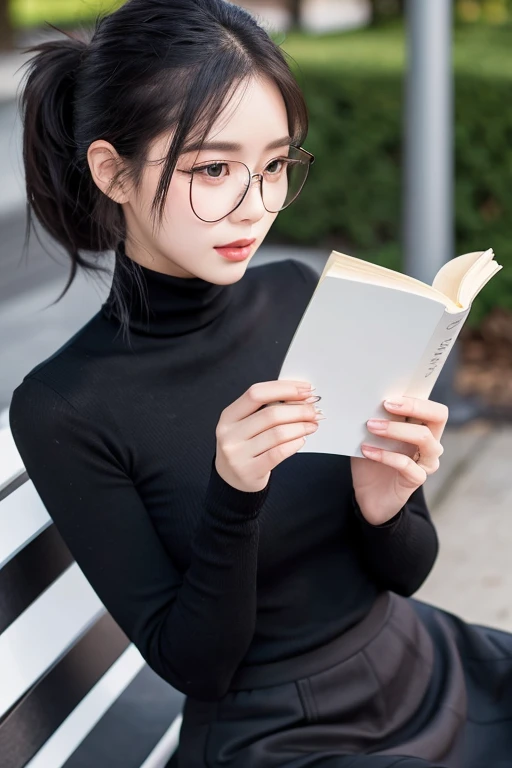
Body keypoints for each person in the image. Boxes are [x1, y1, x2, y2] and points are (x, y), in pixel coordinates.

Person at [8, 1, 512, 766]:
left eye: (275, 164)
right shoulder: (67, 407)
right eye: (214, 168)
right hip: (281, 734)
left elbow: (405, 575)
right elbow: (197, 664)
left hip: (423, 664)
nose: (258, 205)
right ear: (112, 171)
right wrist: (233, 496)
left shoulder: (300, 294)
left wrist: (385, 506)